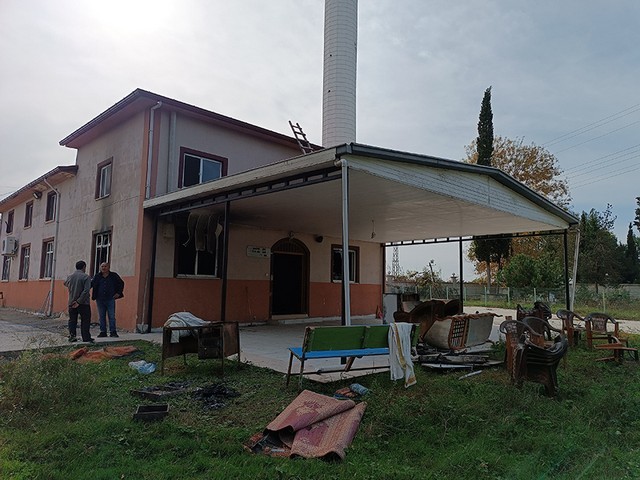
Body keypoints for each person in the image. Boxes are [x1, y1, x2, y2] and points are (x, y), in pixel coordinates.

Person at [91, 262, 125, 338]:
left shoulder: (114, 275)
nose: (103, 268)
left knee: (111, 316)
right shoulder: (97, 276)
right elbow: (91, 284)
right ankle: (103, 332)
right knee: (101, 316)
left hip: (110, 299)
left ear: (109, 267)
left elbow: (121, 283)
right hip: (100, 299)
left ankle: (113, 332)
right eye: (102, 266)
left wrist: (118, 293)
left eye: (105, 266)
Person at [64, 260, 93, 343]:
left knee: (72, 320)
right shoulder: (86, 277)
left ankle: (72, 337)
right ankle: (86, 337)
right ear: (84, 267)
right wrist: (79, 301)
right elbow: (86, 291)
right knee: (85, 320)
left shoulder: (70, 277)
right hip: (83, 303)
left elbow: (65, 283)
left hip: (71, 302)